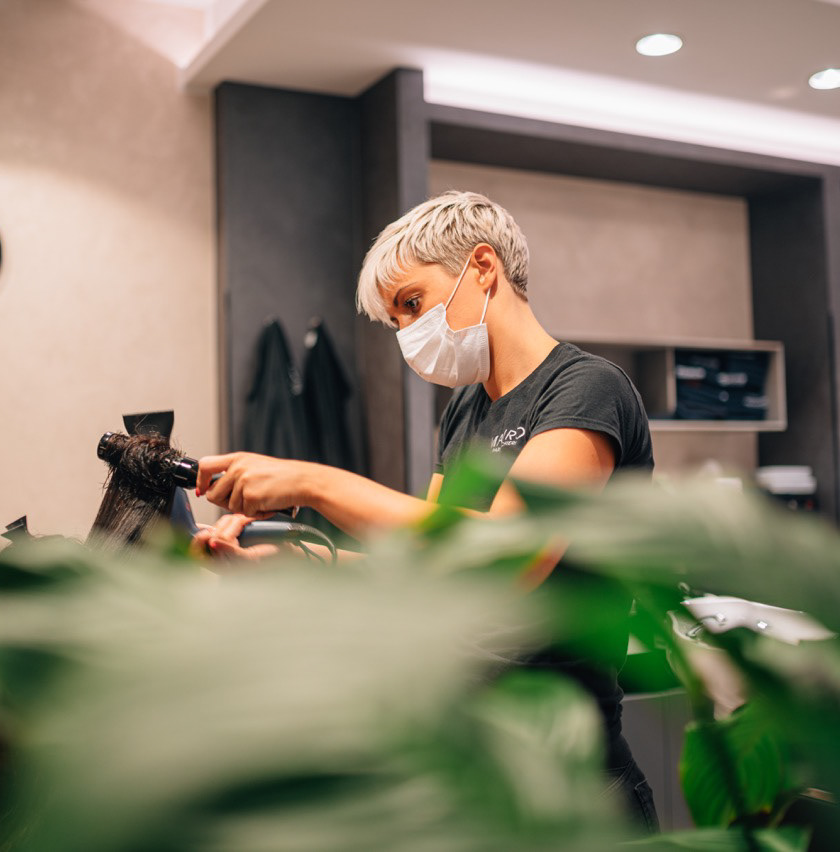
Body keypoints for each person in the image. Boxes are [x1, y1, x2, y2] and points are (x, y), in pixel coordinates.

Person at [193, 191, 657, 830]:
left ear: (484, 267)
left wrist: (312, 481)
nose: (408, 334)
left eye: (412, 304)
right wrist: (294, 561)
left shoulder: (586, 388)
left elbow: (507, 555)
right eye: (396, 321)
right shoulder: (465, 409)